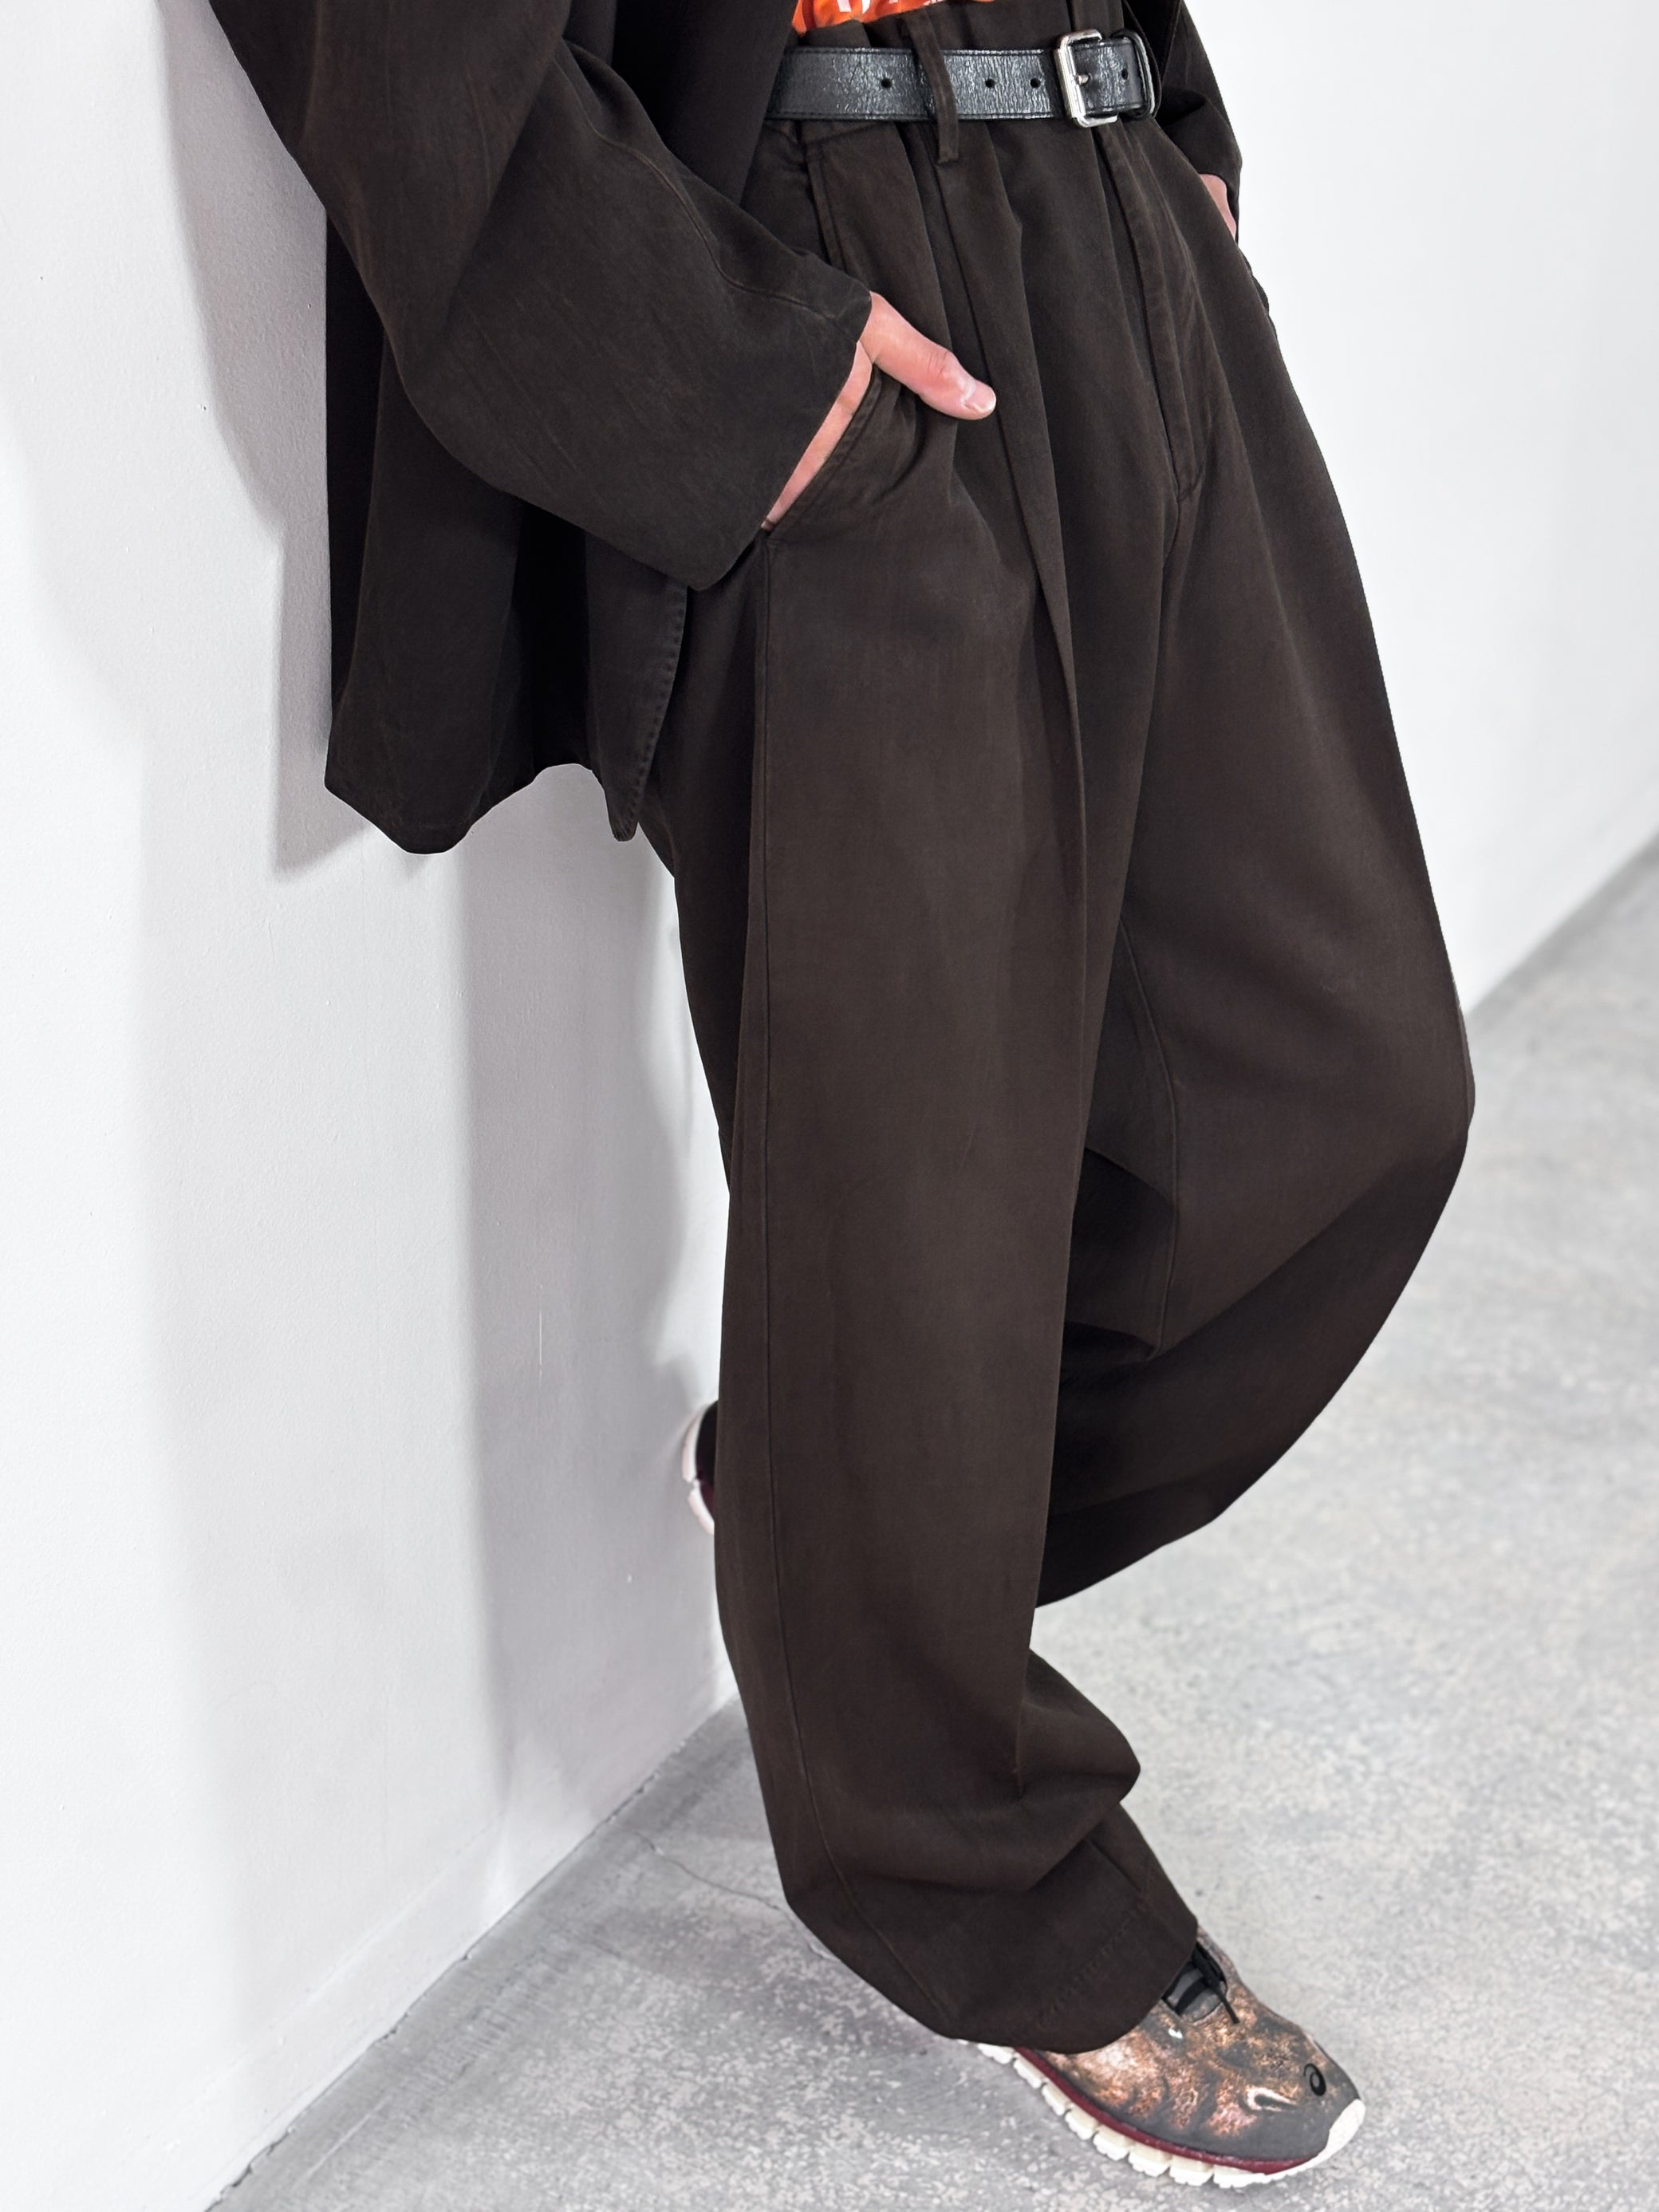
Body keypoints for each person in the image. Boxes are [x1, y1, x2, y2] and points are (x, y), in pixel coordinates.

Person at [207, 0, 1472, 2186]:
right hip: (820, 243)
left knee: (1350, 1104)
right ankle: (974, 1871)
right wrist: (720, 366)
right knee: (918, 1183)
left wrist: (1165, 123)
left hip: (1108, 201)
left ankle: (835, 1537)